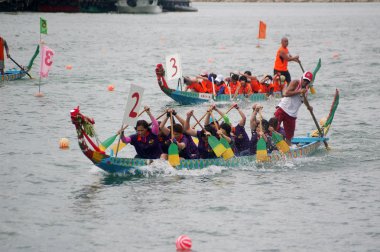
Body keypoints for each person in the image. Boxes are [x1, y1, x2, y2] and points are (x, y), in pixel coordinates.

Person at [274, 71, 313, 146]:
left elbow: (304, 99)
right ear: (301, 78)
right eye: (304, 80)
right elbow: (286, 93)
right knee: (273, 129)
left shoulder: (306, 89)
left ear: (309, 82)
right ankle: (271, 147)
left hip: (292, 115)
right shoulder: (296, 82)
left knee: (289, 137)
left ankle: (288, 152)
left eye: (307, 81)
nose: (305, 82)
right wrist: (299, 91)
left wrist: (309, 107)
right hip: (282, 109)